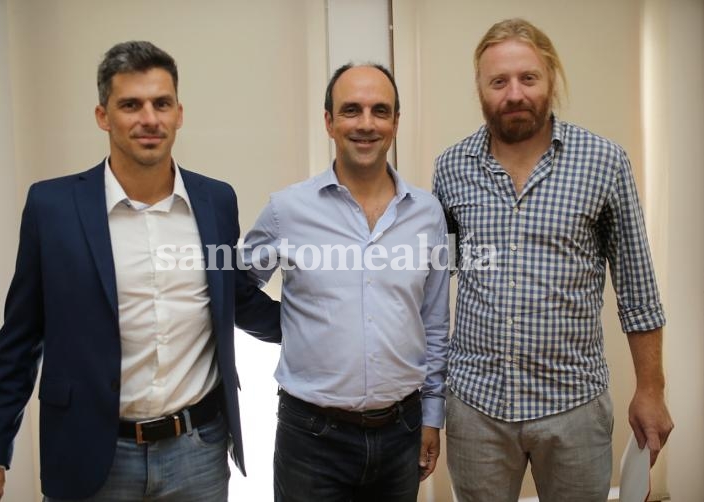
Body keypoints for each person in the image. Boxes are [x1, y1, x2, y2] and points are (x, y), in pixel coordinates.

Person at [0, 41, 280, 502]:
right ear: (103, 115)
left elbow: (237, 299)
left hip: (198, 451)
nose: (149, 118)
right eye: (131, 104)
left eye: (161, 103)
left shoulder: (216, 201)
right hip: (92, 453)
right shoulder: (53, 207)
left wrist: (322, 326)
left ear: (179, 114)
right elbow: (21, 337)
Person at [433, 18, 673, 502]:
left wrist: (650, 390)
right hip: (476, 407)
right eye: (498, 81)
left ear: (551, 79)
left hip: (574, 406)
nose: (514, 93)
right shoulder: (452, 167)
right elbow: (440, 282)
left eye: (528, 78)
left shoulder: (604, 162)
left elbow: (637, 288)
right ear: (481, 89)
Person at [242, 63, 450, 501]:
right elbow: (239, 288)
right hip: (312, 438)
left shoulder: (427, 213)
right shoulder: (288, 209)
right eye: (351, 110)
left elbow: (433, 320)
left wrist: (432, 416)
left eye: (380, 111)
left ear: (396, 122)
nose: (366, 124)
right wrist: (291, 325)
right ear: (329, 122)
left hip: (402, 432)